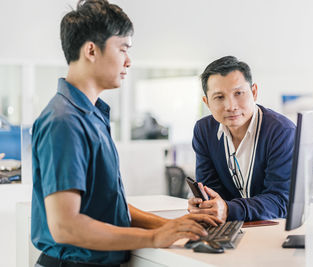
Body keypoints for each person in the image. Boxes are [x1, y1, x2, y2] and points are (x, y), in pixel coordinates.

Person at [31, 1, 220, 266]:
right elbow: (66, 226)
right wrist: (154, 237)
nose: (129, 61)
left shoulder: (91, 114)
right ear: (91, 50)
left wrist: (171, 225)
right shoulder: (64, 121)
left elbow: (107, 207)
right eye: (123, 49)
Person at [188, 56, 296, 222]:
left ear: (254, 92)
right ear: (207, 103)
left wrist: (228, 209)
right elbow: (210, 191)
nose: (231, 106)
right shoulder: (204, 131)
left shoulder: (282, 132)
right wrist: (207, 207)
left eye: (238, 93)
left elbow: (281, 200)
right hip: (230, 228)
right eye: (219, 97)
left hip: (274, 228)